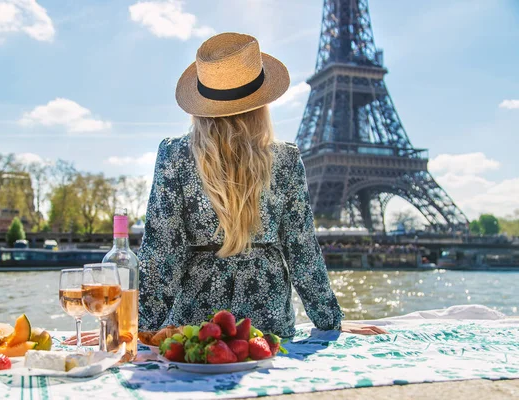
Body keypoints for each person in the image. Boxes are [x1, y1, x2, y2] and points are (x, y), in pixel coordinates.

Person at [67, 33, 385, 346]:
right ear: (262, 103)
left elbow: (161, 255)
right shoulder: (286, 159)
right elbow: (302, 253)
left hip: (195, 331)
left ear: (200, 104)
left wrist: (129, 329)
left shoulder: (175, 156)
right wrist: (330, 323)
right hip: (268, 329)